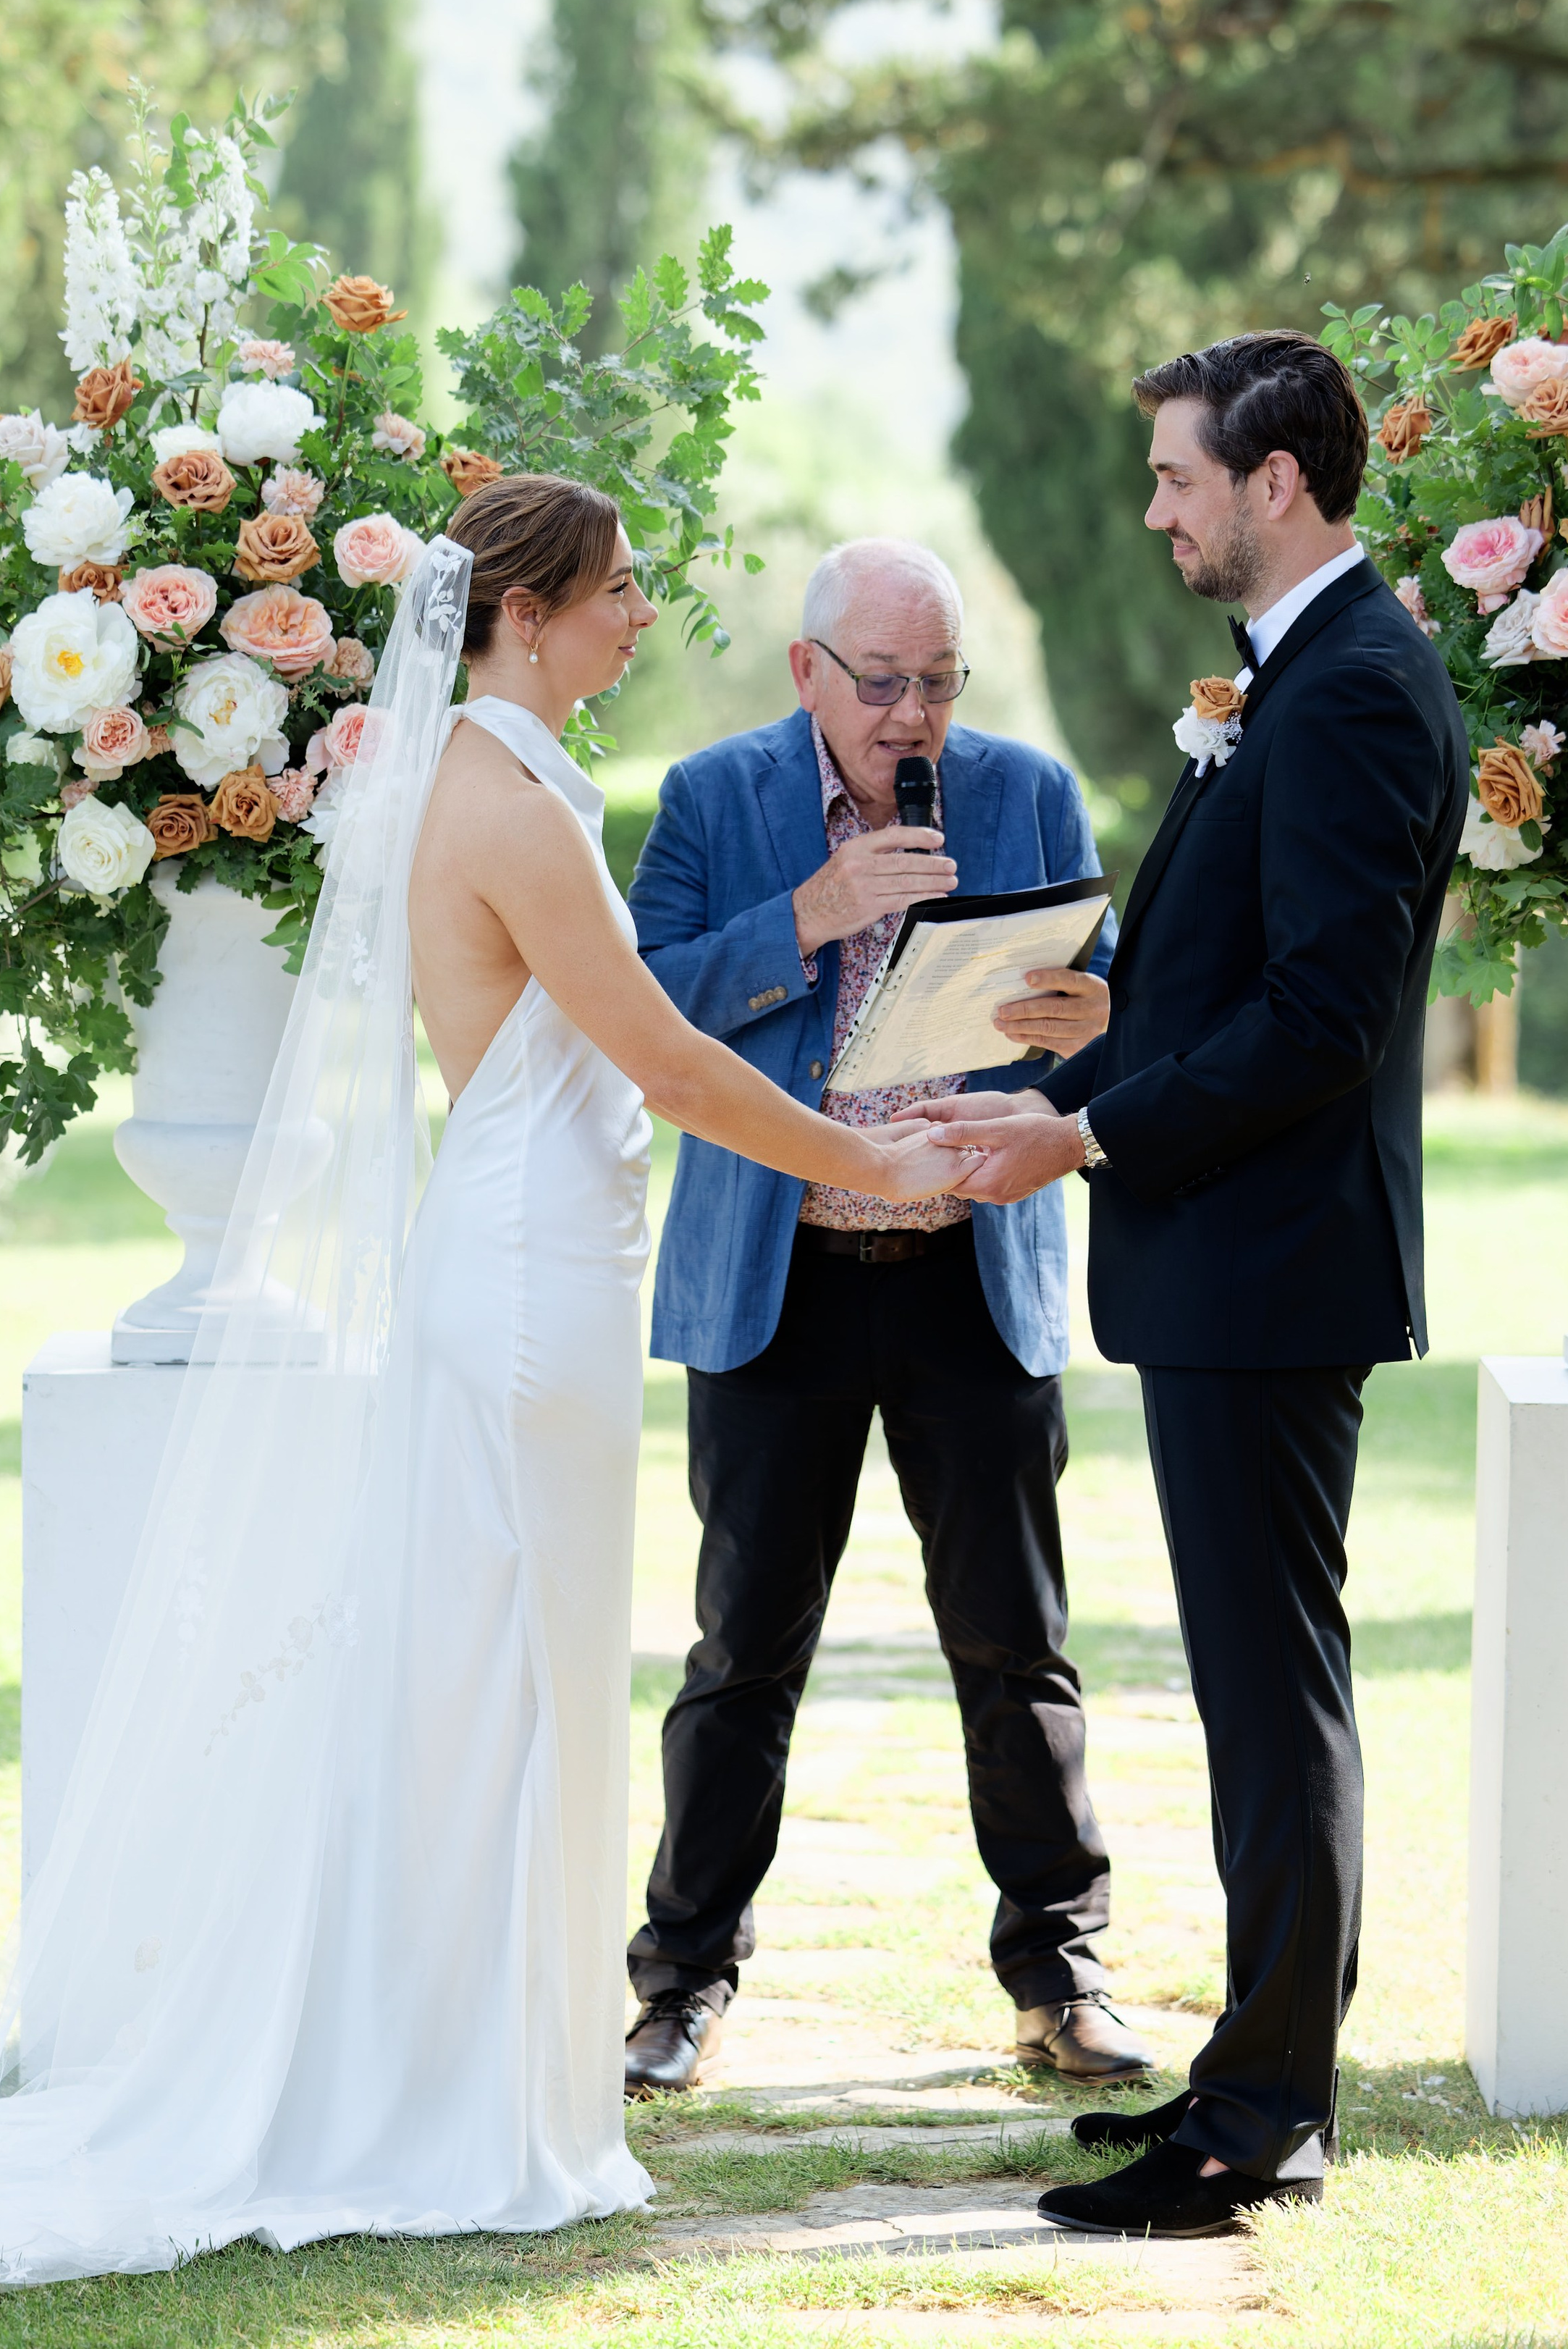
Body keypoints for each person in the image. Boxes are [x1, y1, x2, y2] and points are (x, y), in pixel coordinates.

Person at [0, 479, 977, 2291]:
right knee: (504, 1683)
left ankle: (491, 2072)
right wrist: (867, 1159)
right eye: (616, 589)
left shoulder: (503, 778)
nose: (639, 614)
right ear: (526, 614)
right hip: (524, 1282)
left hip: (546, 1257)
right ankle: (461, 2098)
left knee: (512, 1676)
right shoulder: (504, 801)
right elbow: (664, 1061)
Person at [914, 335, 1468, 2237]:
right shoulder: (1298, 674)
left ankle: (1261, 2124)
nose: (1153, 510)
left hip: (1271, 1268)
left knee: (1273, 1692)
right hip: (1233, 1261)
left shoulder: (1355, 688)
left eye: (1175, 476)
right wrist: (1075, 1047)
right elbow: (1229, 980)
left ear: (1274, 481)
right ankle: (1250, 2073)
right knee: (1250, 1694)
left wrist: (1079, 1138)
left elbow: (1322, 1022)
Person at [619, 536, 1153, 2098]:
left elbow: (1104, 1012)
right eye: (881, 682)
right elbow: (643, 1007)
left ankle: (1060, 1974)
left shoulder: (1026, 793)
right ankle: (681, 1983)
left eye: (937, 683)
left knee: (1015, 1642)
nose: (911, 715)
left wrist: (1090, 1019)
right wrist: (810, 909)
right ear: (808, 671)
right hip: (777, 1278)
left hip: (965, 1278)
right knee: (744, 1650)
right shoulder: (713, 799)